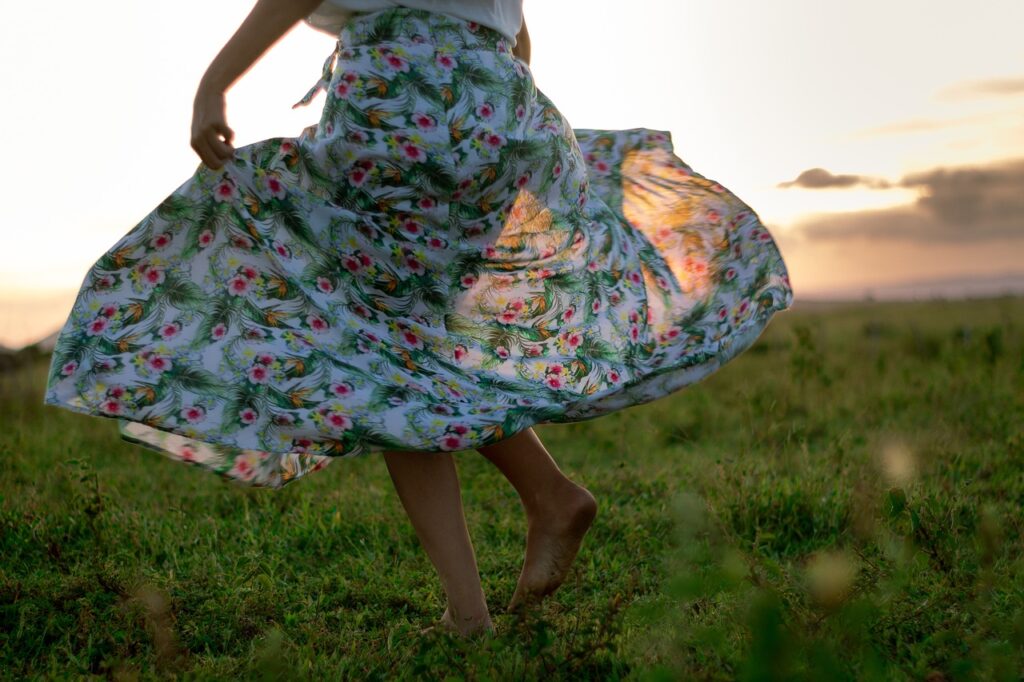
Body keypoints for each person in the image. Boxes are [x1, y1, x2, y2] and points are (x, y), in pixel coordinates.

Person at [43, 0, 793, 637]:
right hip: (501, 111)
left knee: (386, 359)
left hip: (399, 104)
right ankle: (541, 509)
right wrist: (496, 130)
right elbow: (518, 36)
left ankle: (482, 594)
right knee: (411, 353)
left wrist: (212, 88)